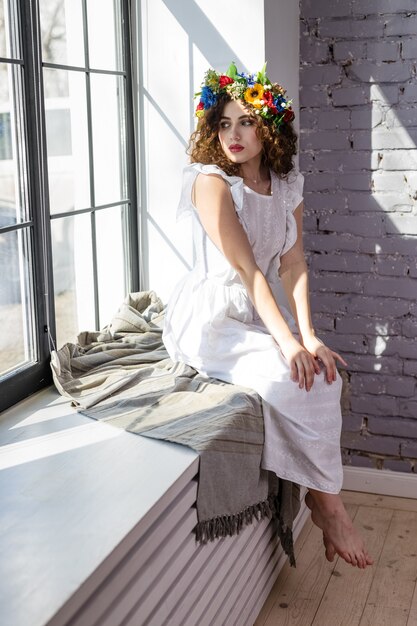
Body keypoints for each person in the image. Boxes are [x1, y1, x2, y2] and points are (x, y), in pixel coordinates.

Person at [163, 62, 373, 569]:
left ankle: (322, 501)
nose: (232, 135)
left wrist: (309, 336)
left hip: (262, 311)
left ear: (269, 127)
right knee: (291, 379)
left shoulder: (286, 185)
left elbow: (293, 262)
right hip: (216, 317)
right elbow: (247, 270)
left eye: (245, 123)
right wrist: (287, 343)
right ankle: (329, 506)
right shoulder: (211, 183)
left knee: (322, 375)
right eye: (223, 124)